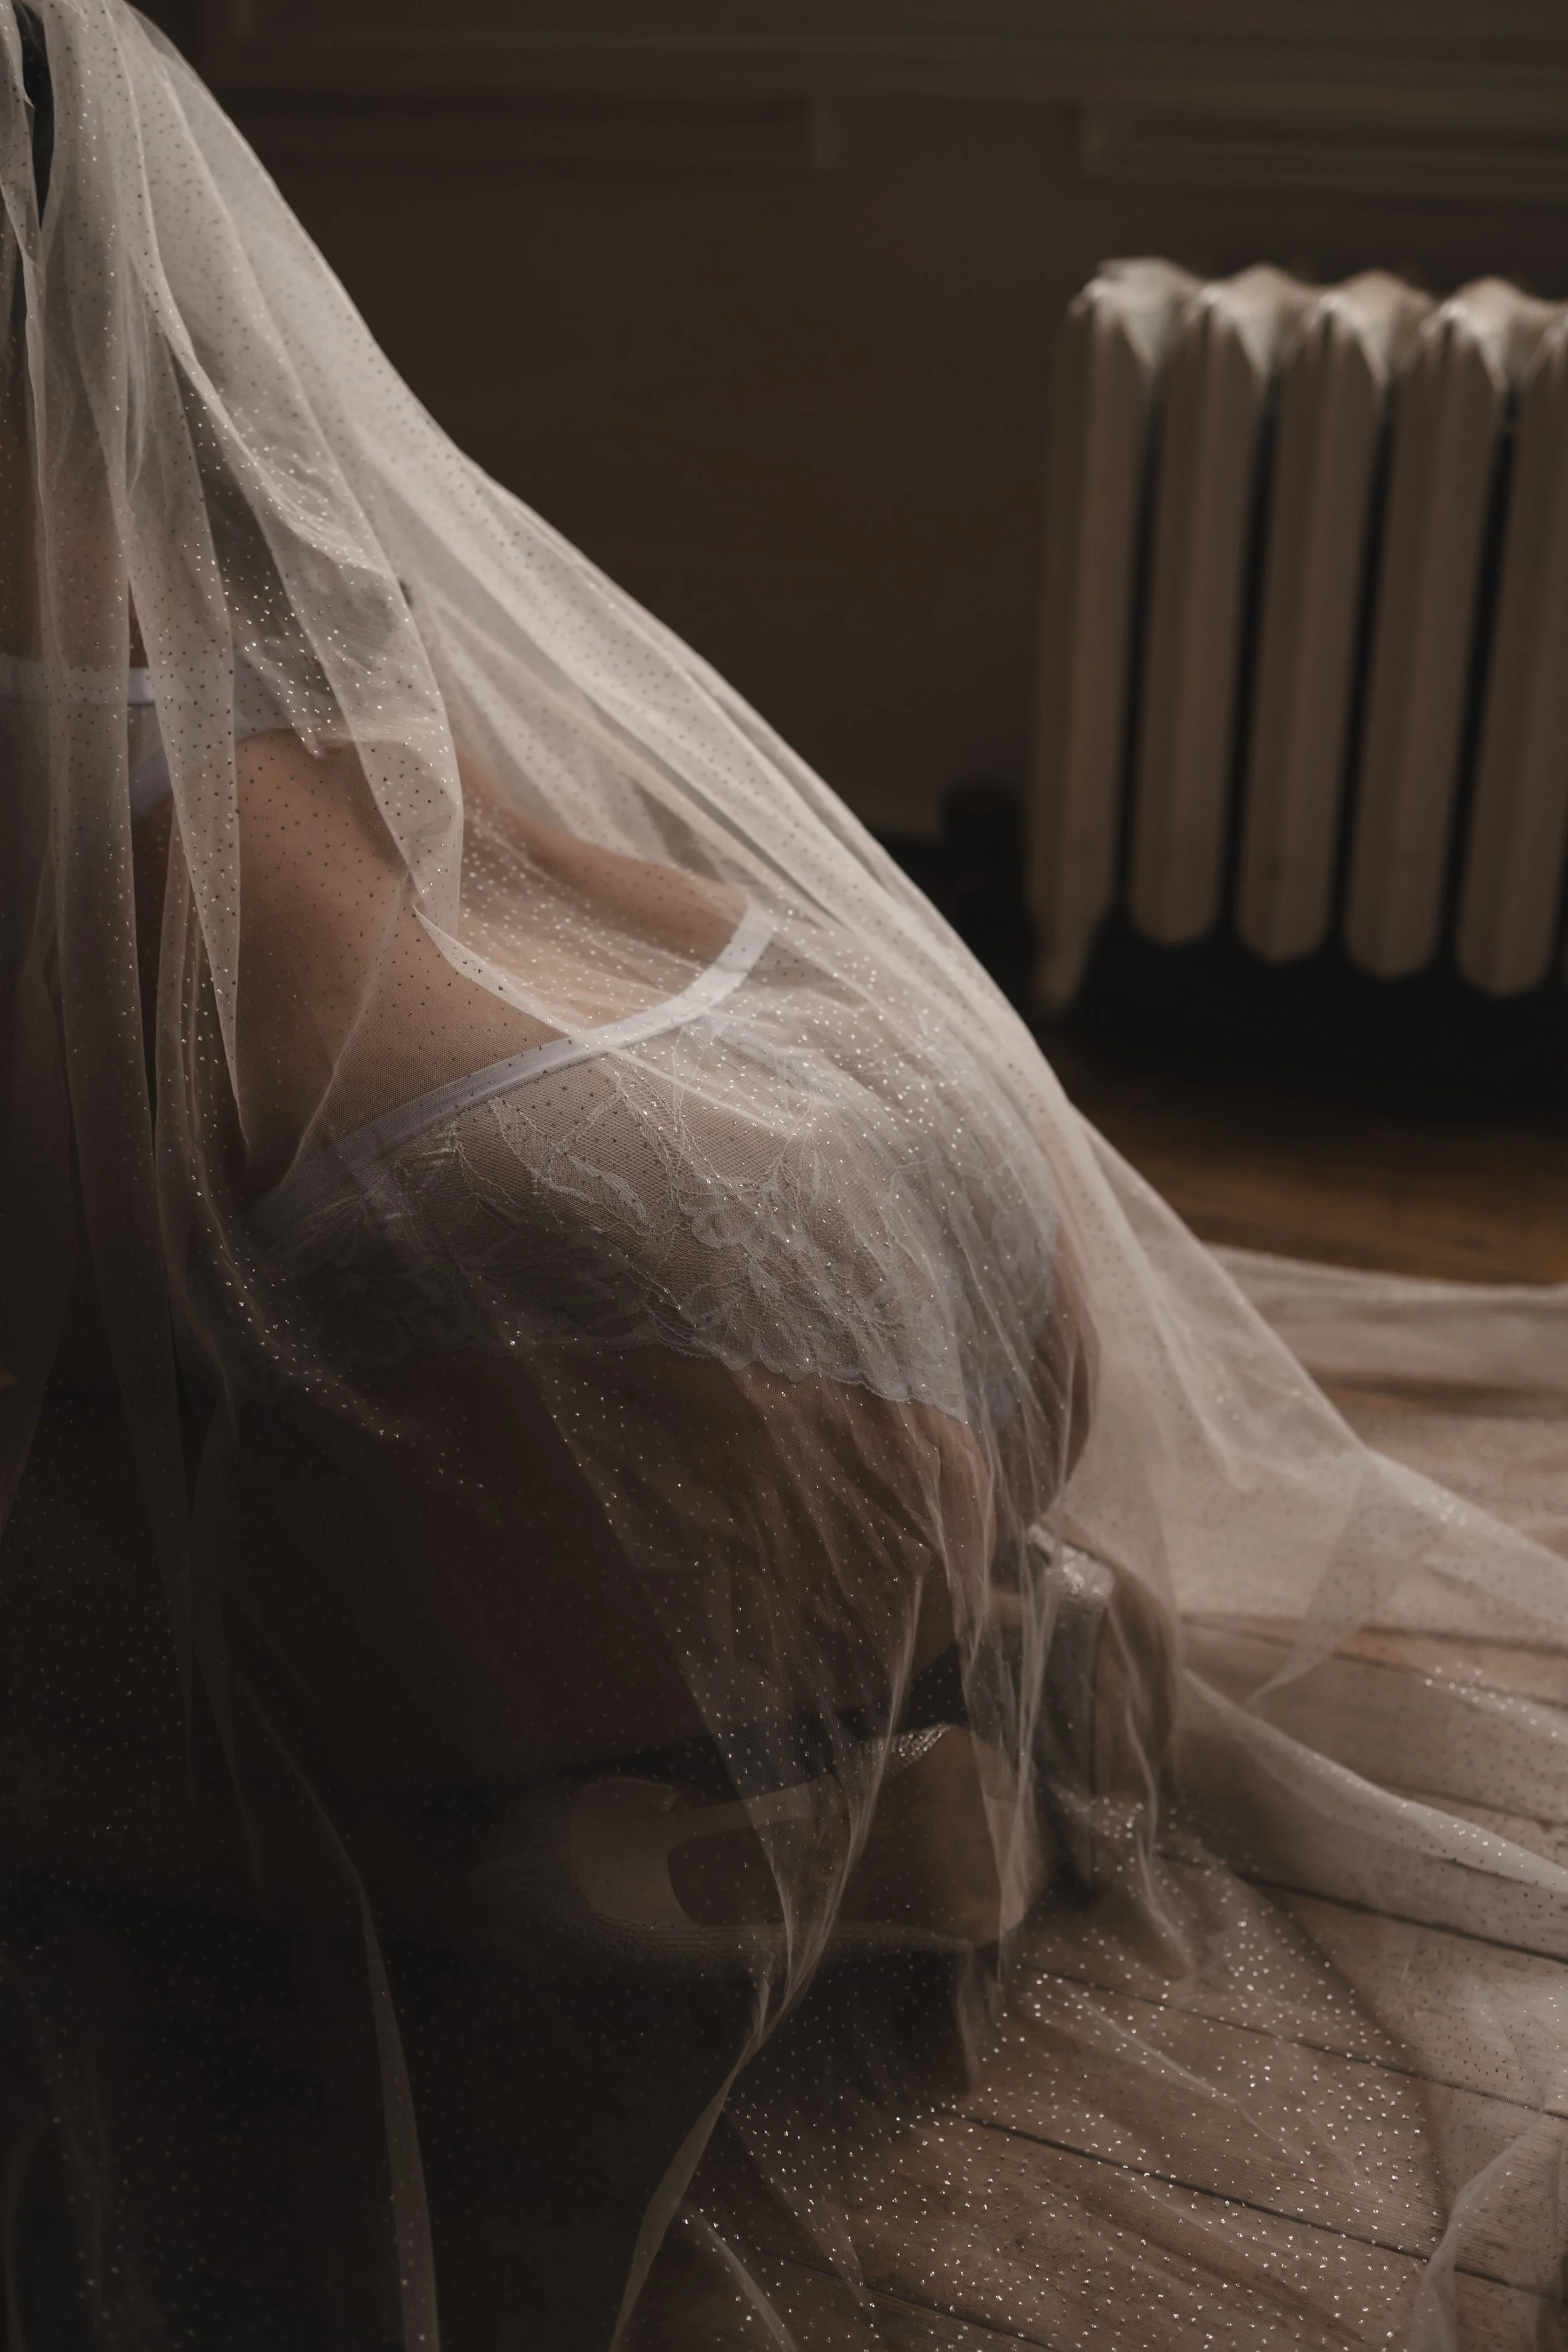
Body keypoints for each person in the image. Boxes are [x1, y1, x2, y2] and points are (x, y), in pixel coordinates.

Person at [1, 8, 1565, 2347]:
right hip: (893, 1151)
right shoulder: (213, 424)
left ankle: (628, 1862)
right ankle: (946, 1655)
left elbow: (97, 1224)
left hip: (581, 1322)